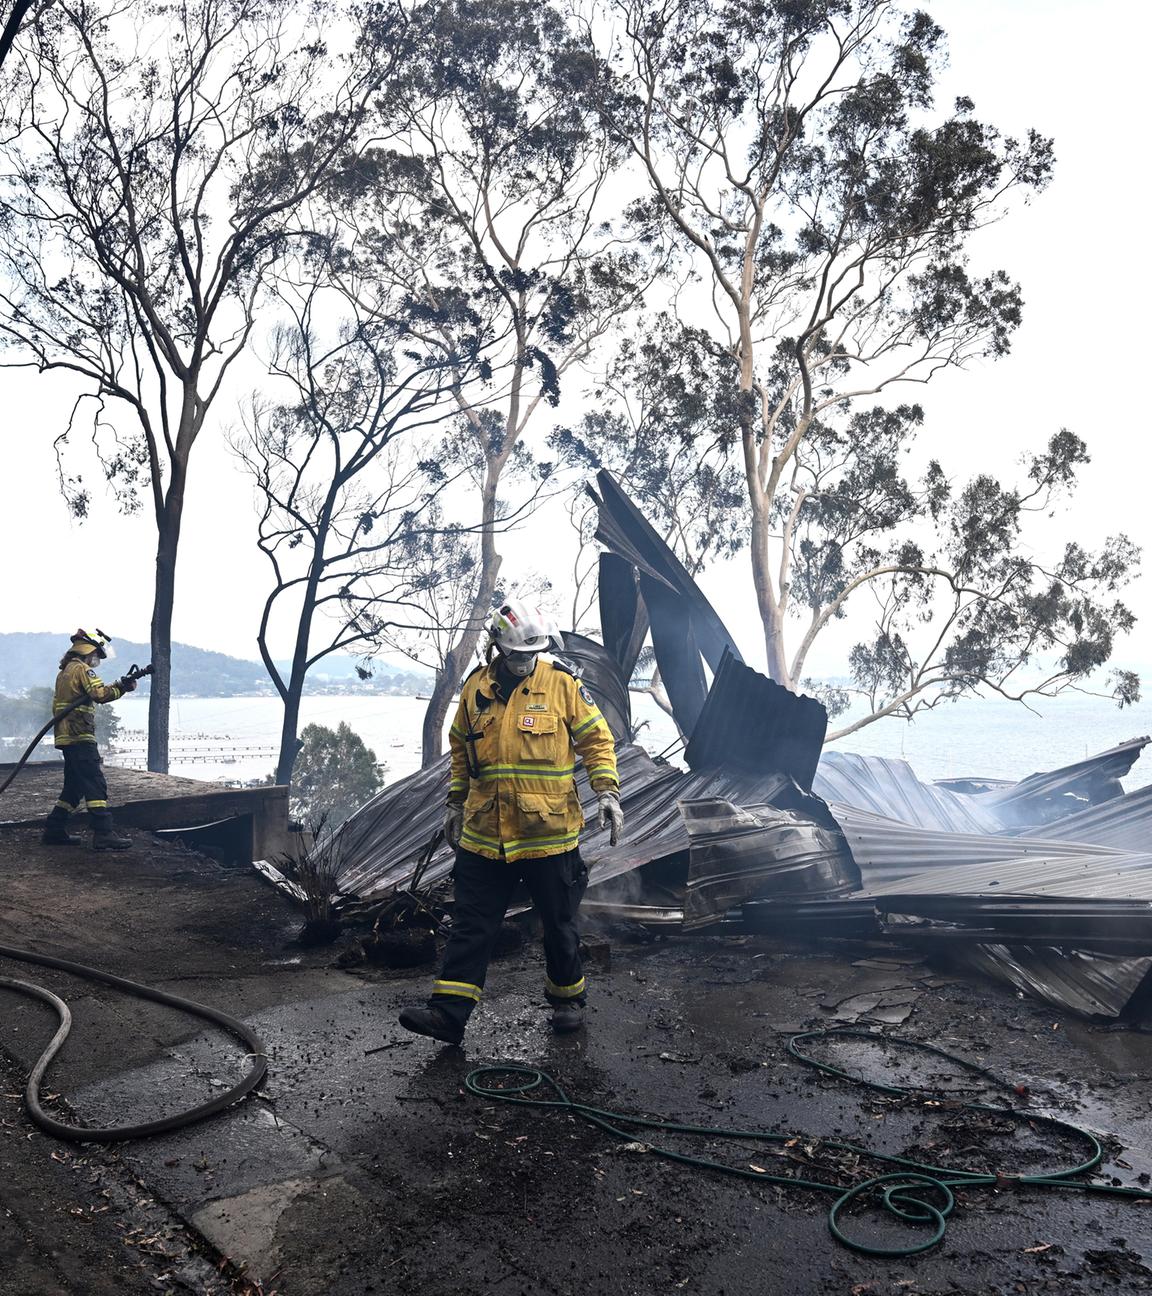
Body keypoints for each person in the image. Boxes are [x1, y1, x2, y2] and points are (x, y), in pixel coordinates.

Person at [399, 600, 624, 1045]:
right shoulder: (474, 691)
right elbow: (462, 755)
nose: (525, 662)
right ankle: (448, 1015)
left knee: (558, 923)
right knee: (472, 923)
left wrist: (608, 793)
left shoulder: (561, 685)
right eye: (518, 654)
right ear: (498, 648)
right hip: (485, 836)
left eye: (532, 654)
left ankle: (567, 1002)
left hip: (550, 834)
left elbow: (597, 741)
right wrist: (454, 803)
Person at [41, 629, 138, 850]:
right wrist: (122, 688)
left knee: (74, 788)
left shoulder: (65, 671)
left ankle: (54, 830)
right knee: (95, 783)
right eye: (97, 655)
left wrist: (118, 686)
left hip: (67, 737)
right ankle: (103, 832)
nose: (97, 660)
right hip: (80, 736)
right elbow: (99, 695)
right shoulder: (83, 669)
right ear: (88, 651)